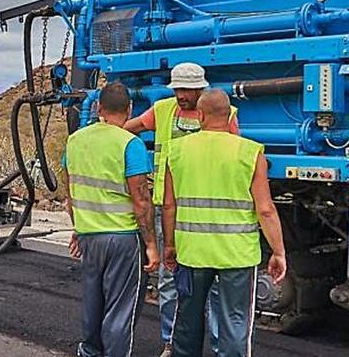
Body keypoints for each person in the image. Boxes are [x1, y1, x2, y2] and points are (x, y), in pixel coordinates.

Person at [124, 63, 238, 356]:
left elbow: (232, 155)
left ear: (201, 89)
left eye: (187, 90)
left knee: (212, 285)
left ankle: (215, 344)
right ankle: (170, 343)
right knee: (169, 279)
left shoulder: (225, 114)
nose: (181, 95)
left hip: (206, 208)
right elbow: (130, 128)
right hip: (168, 207)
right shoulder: (162, 110)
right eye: (177, 89)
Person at [161, 90, 286, 357]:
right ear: (230, 115)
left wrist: (169, 245)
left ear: (200, 115)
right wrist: (278, 252)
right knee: (236, 323)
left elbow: (169, 205)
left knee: (187, 323)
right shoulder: (250, 152)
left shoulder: (177, 150)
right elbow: (265, 209)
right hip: (237, 256)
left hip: (191, 252)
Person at [64, 81, 159, 357]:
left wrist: (79, 229)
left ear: (99, 108)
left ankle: (89, 352)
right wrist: (151, 244)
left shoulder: (75, 140)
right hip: (123, 239)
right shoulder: (131, 144)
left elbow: (72, 193)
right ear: (129, 110)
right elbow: (141, 200)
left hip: (89, 237)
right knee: (120, 310)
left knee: (93, 305)